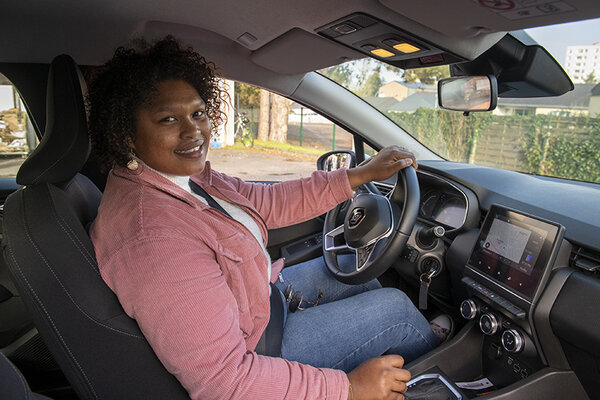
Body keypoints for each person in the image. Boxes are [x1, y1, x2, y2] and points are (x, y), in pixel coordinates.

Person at [88, 36, 443, 400]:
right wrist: (349, 388)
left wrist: (357, 176)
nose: (193, 131)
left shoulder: (173, 178)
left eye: (197, 113)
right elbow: (225, 381)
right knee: (397, 311)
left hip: (256, 306)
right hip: (259, 352)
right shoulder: (154, 238)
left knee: (359, 274)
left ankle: (416, 348)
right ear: (127, 134)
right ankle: (445, 380)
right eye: (168, 119)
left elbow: (264, 201)